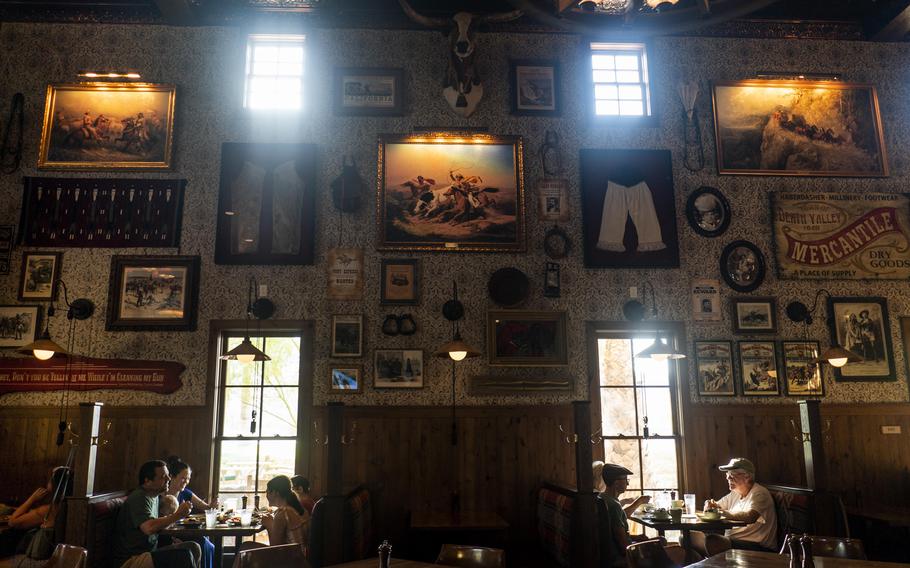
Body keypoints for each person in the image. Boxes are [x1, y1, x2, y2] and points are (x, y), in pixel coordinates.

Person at [112, 460, 201, 568]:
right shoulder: (139, 497)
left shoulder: (155, 497)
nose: (168, 479)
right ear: (147, 481)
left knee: (193, 547)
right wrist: (178, 514)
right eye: (163, 476)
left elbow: (158, 524)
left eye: (168, 475)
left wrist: (170, 539)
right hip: (132, 559)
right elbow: (149, 527)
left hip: (150, 552)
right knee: (183, 555)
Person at [704, 458, 777, 552]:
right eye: (727, 474)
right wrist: (709, 505)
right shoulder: (735, 493)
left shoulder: (759, 493)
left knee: (713, 541)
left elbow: (751, 516)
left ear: (747, 477)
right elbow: (716, 506)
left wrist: (721, 513)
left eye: (732, 474)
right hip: (733, 542)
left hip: (757, 546)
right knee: (688, 538)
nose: (728, 478)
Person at [0, 466, 72, 562]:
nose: (48, 481)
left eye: (51, 479)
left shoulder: (48, 510)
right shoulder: (64, 505)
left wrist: (32, 499)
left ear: (56, 484)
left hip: (35, 555)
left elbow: (12, 522)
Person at [233, 476, 307, 567]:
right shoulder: (292, 509)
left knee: (244, 548)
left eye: (267, 491)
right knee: (246, 546)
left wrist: (269, 525)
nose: (266, 494)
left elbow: (274, 548)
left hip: (289, 561)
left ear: (275, 493)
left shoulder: (282, 514)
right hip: (299, 558)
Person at [160, 457, 216, 568]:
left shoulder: (185, 493)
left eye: (188, 478)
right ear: (172, 477)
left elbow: (206, 507)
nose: (186, 481)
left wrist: (212, 505)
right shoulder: (161, 496)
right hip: (167, 535)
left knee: (208, 544)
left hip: (182, 532)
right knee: (202, 542)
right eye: (183, 478)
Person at [595, 463, 652, 567]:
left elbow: (613, 534)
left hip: (608, 555)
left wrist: (636, 537)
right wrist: (639, 548)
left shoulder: (602, 497)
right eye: (626, 480)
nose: (627, 484)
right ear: (617, 483)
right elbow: (623, 543)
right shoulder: (614, 505)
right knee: (664, 542)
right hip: (619, 558)